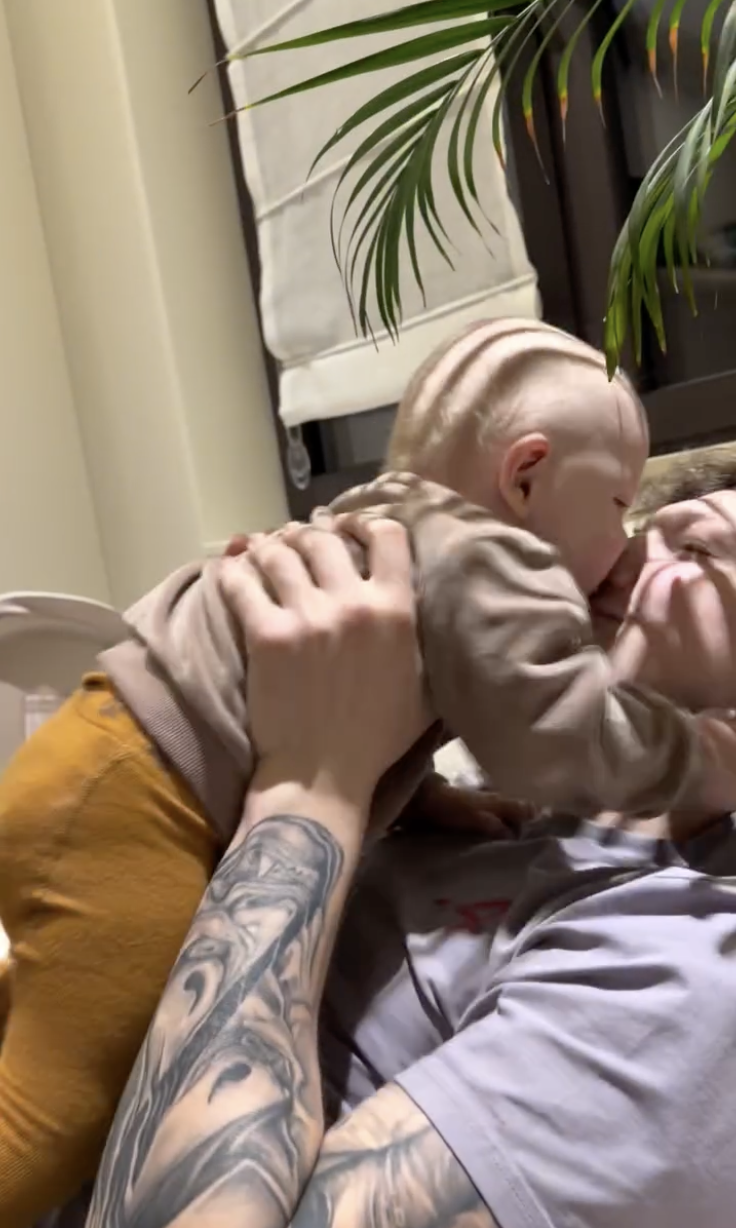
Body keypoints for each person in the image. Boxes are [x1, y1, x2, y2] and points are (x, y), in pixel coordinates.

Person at [1, 320, 735, 1228]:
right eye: (629, 519)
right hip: (130, 786)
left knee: (41, 1115)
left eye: (695, 553)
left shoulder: (684, 973)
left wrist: (316, 781)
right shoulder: (529, 781)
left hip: (101, 765)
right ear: (524, 476)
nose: (628, 552)